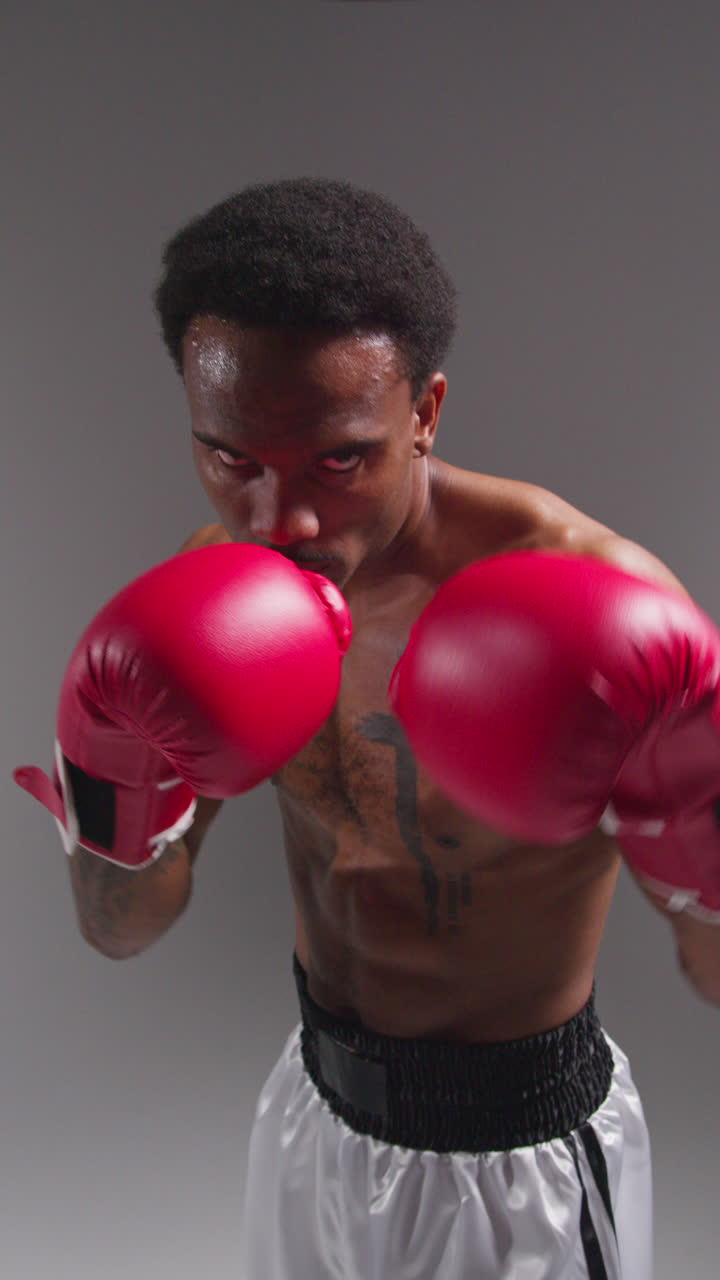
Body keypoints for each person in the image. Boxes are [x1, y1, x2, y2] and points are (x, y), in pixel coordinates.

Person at [14, 177, 720, 1279]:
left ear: (426, 411)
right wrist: (111, 799)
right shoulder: (218, 596)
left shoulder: (592, 593)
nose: (279, 520)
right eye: (232, 457)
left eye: (338, 459)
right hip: (315, 1115)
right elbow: (122, 929)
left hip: (518, 1160)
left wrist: (703, 836)